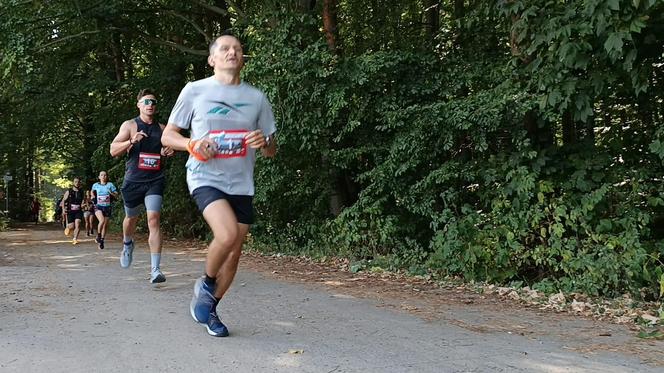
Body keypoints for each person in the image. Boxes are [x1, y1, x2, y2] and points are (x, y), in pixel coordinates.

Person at [162, 32, 277, 337]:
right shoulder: (195, 91)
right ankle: (207, 282)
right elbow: (167, 136)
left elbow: (271, 148)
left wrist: (263, 141)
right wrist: (192, 143)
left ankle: (210, 308)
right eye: (225, 48)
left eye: (237, 49)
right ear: (212, 59)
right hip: (205, 176)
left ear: (242, 59)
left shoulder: (256, 98)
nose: (232, 52)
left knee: (235, 252)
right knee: (225, 235)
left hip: (242, 182)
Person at [110, 89, 174, 283]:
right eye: (146, 101)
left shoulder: (163, 128)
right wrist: (131, 141)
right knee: (131, 218)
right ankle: (127, 244)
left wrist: (167, 151)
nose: (150, 105)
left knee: (153, 219)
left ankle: (155, 269)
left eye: (153, 102)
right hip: (133, 181)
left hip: (155, 180)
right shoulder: (129, 125)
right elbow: (113, 150)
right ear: (139, 105)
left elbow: (170, 147)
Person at [90, 171, 118, 250]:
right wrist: (92, 196)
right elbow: (91, 192)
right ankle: (98, 236)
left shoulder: (110, 185)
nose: (103, 176)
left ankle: (102, 240)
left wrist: (111, 193)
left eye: (105, 175)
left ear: (107, 177)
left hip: (107, 207)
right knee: (101, 221)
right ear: (99, 177)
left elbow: (116, 194)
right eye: (102, 175)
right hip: (98, 206)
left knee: (105, 225)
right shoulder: (95, 185)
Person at [61, 177, 84, 245]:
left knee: (78, 223)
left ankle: (75, 239)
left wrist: (83, 205)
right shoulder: (69, 191)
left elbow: (83, 200)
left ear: (80, 183)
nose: (77, 183)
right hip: (70, 211)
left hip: (78, 210)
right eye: (75, 182)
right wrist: (63, 210)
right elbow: (63, 201)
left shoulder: (81, 192)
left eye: (78, 182)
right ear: (73, 183)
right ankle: (68, 227)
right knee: (72, 226)